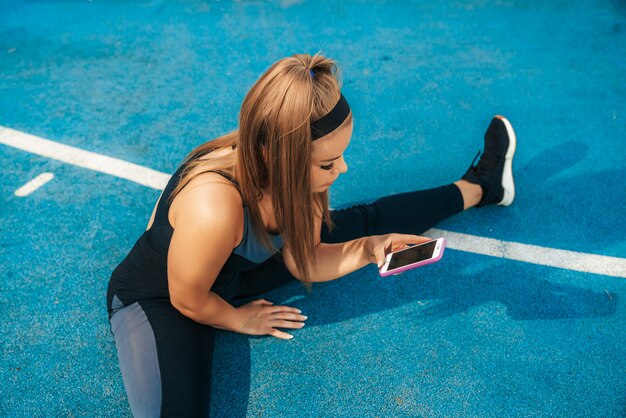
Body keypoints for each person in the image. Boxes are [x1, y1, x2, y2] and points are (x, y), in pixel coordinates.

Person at [106, 53, 516, 417]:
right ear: (279, 159)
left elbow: (304, 258)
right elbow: (186, 297)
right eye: (328, 164)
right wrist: (237, 319)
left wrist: (369, 249)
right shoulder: (213, 207)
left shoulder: (287, 172)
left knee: (368, 223)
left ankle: (482, 186)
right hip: (165, 299)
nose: (343, 170)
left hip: (234, 270)